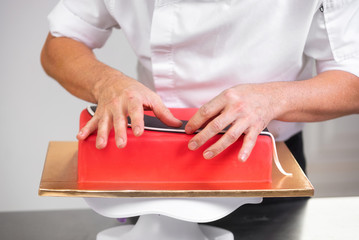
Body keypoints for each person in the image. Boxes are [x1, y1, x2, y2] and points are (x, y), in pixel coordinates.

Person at [41, 0, 359, 172]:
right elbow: (59, 45)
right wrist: (106, 82)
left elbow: (352, 77)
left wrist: (272, 99)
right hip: (148, 151)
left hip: (265, 156)